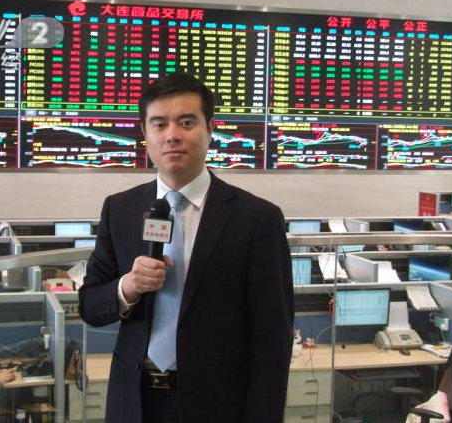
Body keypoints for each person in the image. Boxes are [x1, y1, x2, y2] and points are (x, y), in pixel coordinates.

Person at [78, 73, 294, 423]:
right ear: (145, 134)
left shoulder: (256, 218)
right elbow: (90, 305)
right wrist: (128, 287)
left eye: (187, 122)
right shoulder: (120, 210)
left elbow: (273, 339)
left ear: (210, 129)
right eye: (159, 124)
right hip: (134, 402)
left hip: (218, 406)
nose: (172, 135)